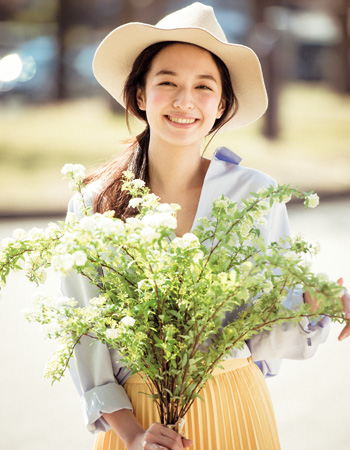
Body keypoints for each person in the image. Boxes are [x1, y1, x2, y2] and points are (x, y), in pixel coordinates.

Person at [61, 3, 350, 449]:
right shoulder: (94, 202)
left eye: (203, 87)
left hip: (237, 408)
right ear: (140, 95)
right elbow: (87, 334)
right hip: (139, 424)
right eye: (167, 83)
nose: (184, 100)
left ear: (221, 105)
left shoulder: (255, 194)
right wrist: (134, 436)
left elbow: (266, 332)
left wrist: (316, 304)